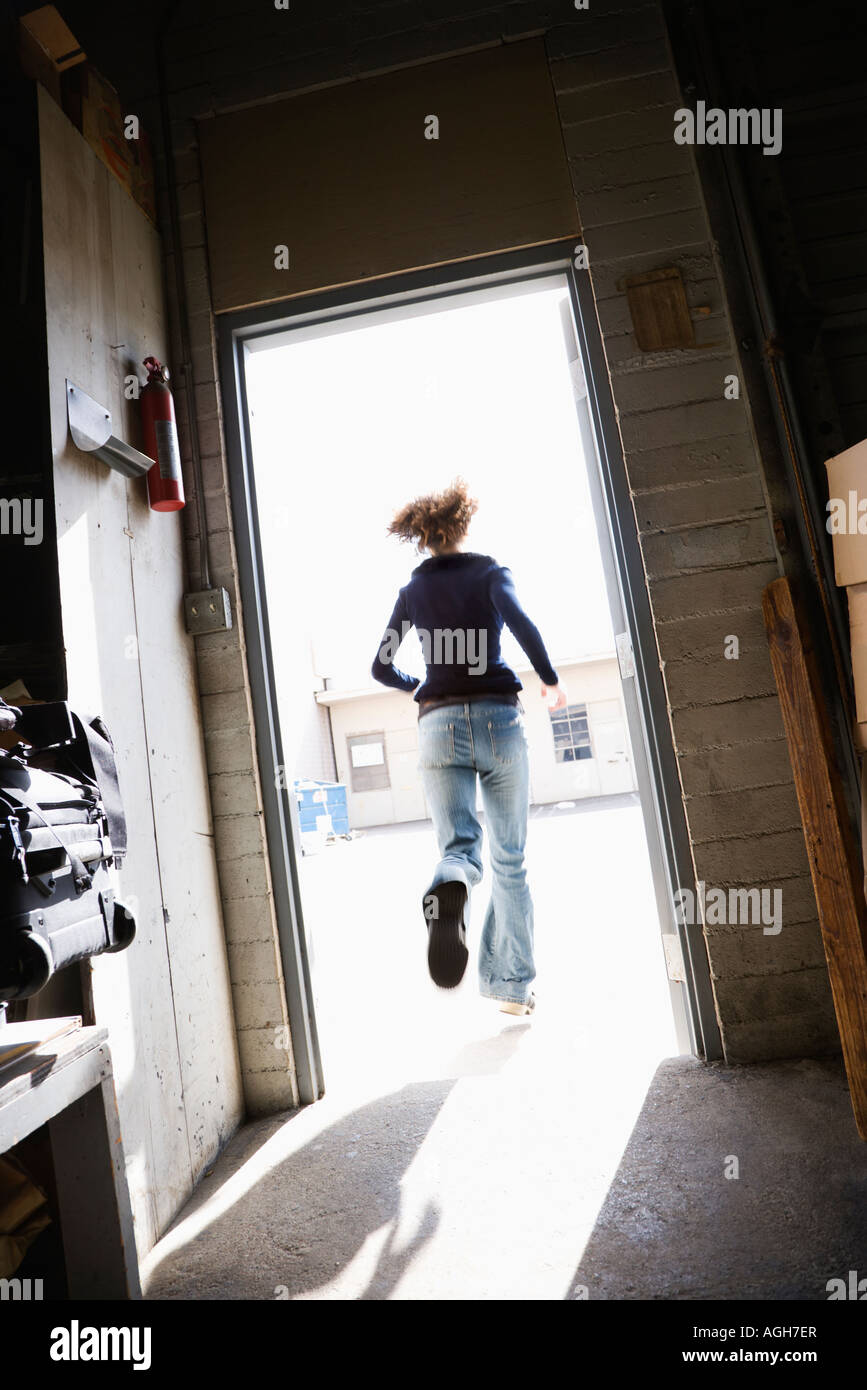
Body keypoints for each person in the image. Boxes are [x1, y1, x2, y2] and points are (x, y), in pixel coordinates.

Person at [371, 479, 567, 1016]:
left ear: (423, 538)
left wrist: (421, 686)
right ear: (463, 526)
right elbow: (522, 623)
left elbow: (380, 665)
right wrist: (549, 679)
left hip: (438, 726)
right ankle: (512, 989)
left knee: (459, 848)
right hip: (500, 718)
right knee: (510, 859)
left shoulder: (411, 593)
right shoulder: (490, 573)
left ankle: (451, 882)